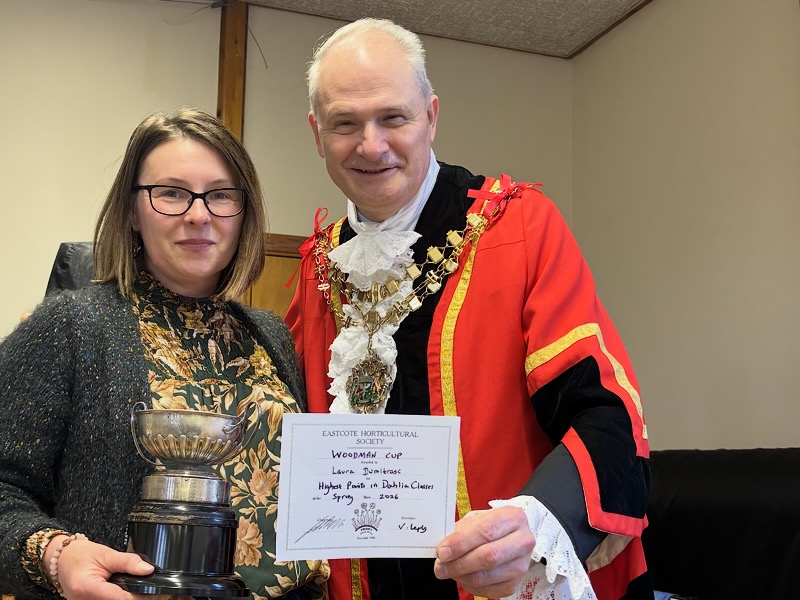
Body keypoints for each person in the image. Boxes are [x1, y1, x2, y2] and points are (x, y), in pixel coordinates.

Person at [285, 18, 652, 600]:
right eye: (345, 123)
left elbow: (606, 412)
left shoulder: (519, 227)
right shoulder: (317, 268)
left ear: (431, 116)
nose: (371, 145)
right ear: (316, 132)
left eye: (394, 118)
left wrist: (533, 524)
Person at [0, 108, 328, 599]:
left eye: (220, 194)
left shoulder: (270, 334)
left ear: (244, 212)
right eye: (171, 193)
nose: (199, 214)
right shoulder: (68, 327)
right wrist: (55, 553)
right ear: (132, 211)